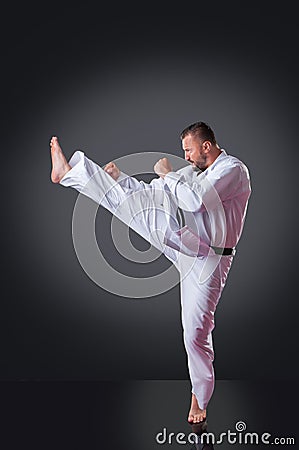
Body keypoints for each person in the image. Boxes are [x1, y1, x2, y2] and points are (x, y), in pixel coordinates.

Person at [50, 122, 251, 424]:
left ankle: (200, 396)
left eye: (188, 149)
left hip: (210, 260)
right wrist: (122, 179)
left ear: (206, 147)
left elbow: (195, 200)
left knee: (195, 332)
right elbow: (154, 194)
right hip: (185, 244)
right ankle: (71, 173)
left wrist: (169, 175)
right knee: (138, 208)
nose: (185, 155)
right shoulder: (190, 172)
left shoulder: (233, 170)